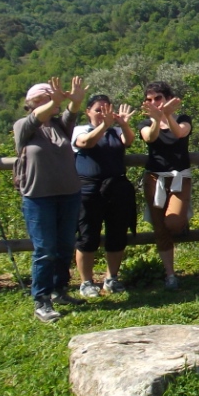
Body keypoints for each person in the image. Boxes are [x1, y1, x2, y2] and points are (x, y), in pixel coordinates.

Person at [14, 77, 86, 322]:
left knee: (65, 245)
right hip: (38, 197)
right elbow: (36, 118)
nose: (55, 103)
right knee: (45, 249)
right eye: (48, 98)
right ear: (35, 102)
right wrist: (54, 101)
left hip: (69, 194)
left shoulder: (59, 126)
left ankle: (59, 290)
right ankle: (41, 299)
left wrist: (74, 101)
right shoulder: (24, 126)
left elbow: (72, 113)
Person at [71, 94, 137, 298]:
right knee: (88, 236)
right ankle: (86, 282)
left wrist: (123, 124)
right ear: (88, 112)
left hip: (117, 188)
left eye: (107, 109)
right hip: (88, 190)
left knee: (117, 235)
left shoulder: (116, 131)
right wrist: (103, 126)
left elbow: (129, 141)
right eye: (98, 110)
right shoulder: (79, 130)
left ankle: (111, 278)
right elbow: (87, 143)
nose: (103, 113)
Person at [139, 81, 192, 291]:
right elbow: (150, 138)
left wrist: (167, 115)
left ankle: (183, 224)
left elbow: (179, 133)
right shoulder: (145, 123)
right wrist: (155, 119)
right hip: (154, 179)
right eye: (150, 100)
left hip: (180, 178)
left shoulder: (183, 119)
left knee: (173, 223)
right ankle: (170, 274)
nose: (155, 103)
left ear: (168, 98)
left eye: (158, 98)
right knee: (160, 229)